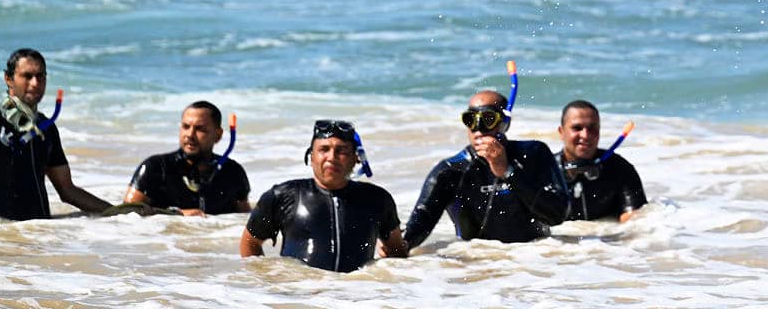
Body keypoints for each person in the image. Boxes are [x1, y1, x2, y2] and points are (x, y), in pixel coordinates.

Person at [0, 48, 112, 222]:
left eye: (40, 76)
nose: (35, 83)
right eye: (27, 76)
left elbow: (67, 190)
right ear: (8, 79)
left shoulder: (46, 128)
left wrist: (118, 213)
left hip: (38, 235)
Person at [402, 89, 566, 247]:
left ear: (504, 124)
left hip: (536, 262)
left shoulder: (533, 154)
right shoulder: (450, 171)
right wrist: (400, 245)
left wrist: (508, 172)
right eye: (470, 120)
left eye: (487, 119)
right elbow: (420, 223)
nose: (478, 128)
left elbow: (557, 215)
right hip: (479, 262)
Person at [240, 119, 407, 272]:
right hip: (301, 297)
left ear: (356, 158)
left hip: (357, 293)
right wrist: (265, 285)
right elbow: (250, 243)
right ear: (311, 157)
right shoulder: (282, 195)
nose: (331, 157)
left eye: (341, 151)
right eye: (323, 149)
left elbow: (397, 252)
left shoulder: (377, 199)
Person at [123, 101, 250, 215]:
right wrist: (176, 214)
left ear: (218, 135)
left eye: (200, 129)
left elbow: (245, 219)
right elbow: (126, 213)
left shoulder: (233, 172)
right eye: (186, 126)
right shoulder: (155, 167)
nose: (190, 134)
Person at [555, 100, 647, 222]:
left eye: (592, 128)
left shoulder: (620, 168)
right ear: (561, 132)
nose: (585, 135)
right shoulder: (543, 171)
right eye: (577, 128)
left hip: (604, 239)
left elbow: (635, 221)